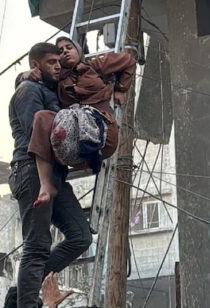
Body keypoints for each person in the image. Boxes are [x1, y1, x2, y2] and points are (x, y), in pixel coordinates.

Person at [8, 42, 93, 308]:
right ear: (35, 65)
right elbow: (42, 133)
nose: (58, 66)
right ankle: (26, 302)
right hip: (31, 170)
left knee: (81, 235)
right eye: (51, 63)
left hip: (55, 174)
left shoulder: (47, 88)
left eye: (59, 62)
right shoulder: (28, 90)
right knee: (37, 246)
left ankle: (20, 293)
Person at [27, 36, 137, 208]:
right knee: (42, 117)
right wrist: (24, 75)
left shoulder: (95, 65)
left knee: (78, 117)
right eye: (60, 51)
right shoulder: (57, 80)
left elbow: (128, 61)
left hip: (102, 129)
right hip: (72, 134)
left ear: (78, 50)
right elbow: (33, 77)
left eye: (68, 47)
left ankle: (91, 156)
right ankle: (45, 185)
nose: (64, 52)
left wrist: (121, 89)